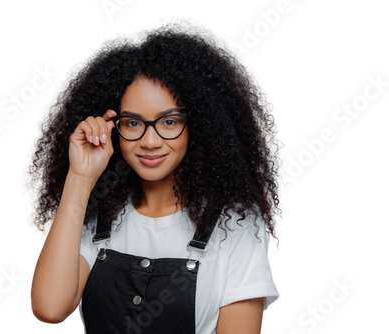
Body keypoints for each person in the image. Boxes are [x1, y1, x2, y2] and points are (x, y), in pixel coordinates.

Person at [29, 22, 281, 334]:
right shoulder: (96, 216)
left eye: (169, 121)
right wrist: (81, 178)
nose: (150, 141)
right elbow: (49, 308)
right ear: (113, 127)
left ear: (198, 125)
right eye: (133, 123)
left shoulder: (234, 224)